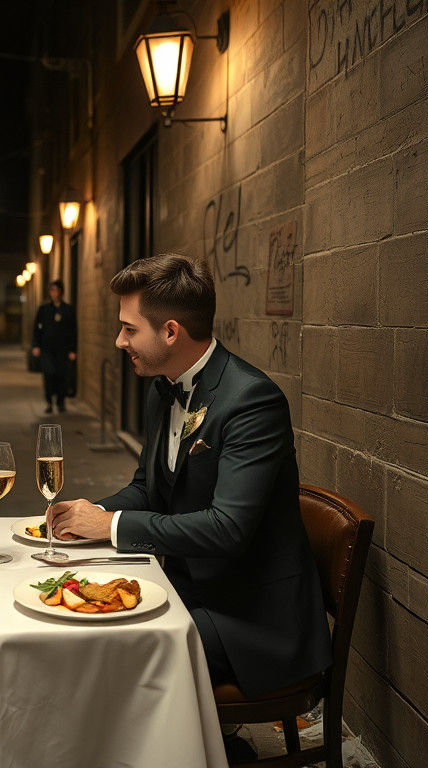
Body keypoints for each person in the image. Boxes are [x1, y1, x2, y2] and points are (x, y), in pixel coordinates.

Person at [49, 253, 331, 699]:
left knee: (104, 655)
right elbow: (148, 487)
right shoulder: (163, 386)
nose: (119, 341)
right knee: (77, 624)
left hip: (251, 618)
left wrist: (112, 527)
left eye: (128, 328)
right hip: (186, 589)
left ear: (170, 331)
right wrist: (93, 513)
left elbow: (228, 529)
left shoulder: (252, 401)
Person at [31, 279, 77, 414]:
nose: (53, 293)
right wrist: (36, 345)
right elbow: (36, 329)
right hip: (47, 349)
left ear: (61, 292)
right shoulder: (44, 309)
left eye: (56, 290)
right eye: (51, 290)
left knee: (61, 375)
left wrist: (73, 349)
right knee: (49, 374)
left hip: (63, 349)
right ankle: (49, 402)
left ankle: (61, 402)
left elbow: (73, 331)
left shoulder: (68, 310)